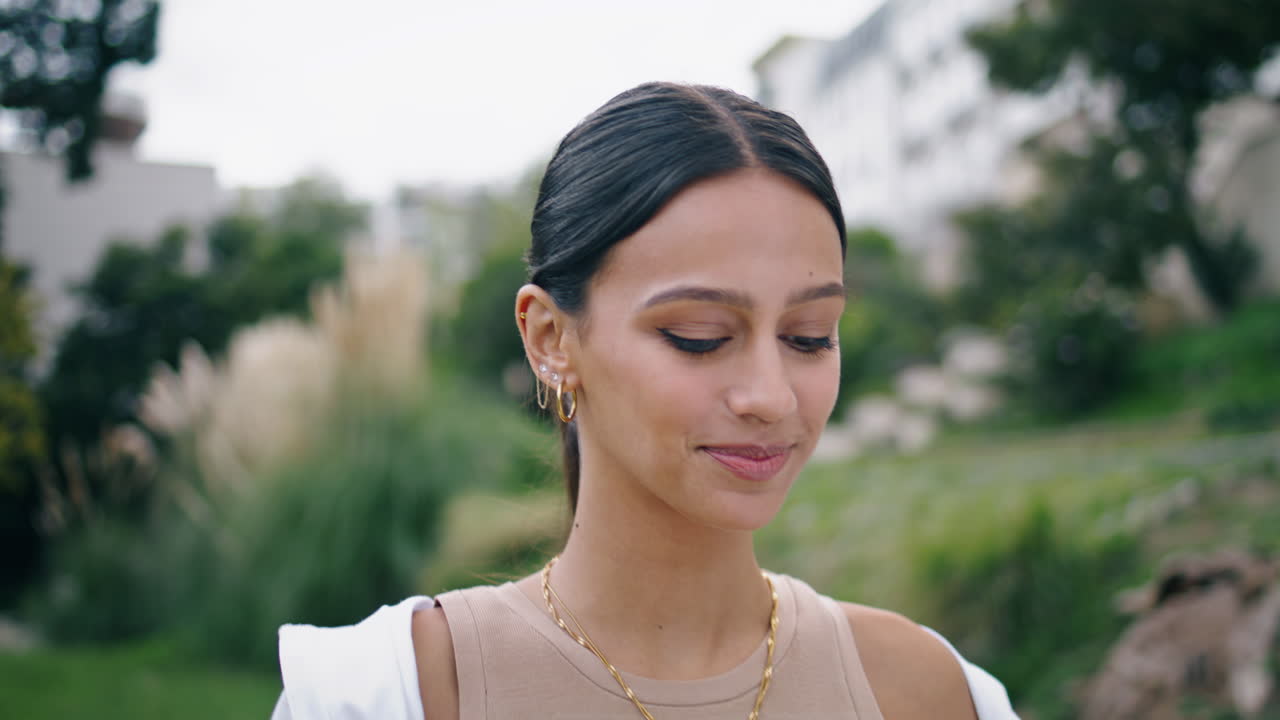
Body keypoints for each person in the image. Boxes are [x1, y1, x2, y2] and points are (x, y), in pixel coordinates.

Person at [271, 81, 1020, 720]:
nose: (769, 396)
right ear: (551, 338)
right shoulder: (393, 693)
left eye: (810, 335)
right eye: (698, 335)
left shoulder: (926, 692)